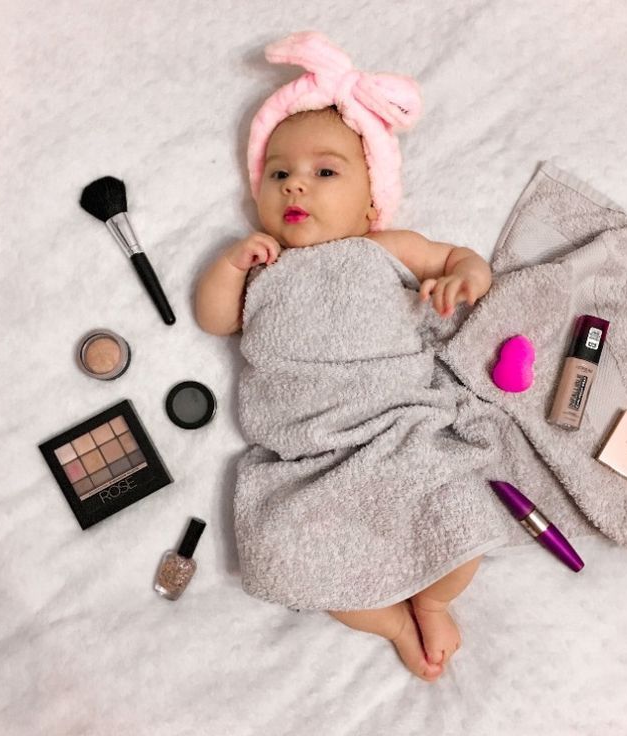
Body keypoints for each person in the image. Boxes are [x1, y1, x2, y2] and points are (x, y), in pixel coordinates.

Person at [195, 32, 491, 682]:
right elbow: (214, 318)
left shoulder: (385, 246)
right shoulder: (263, 265)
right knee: (289, 553)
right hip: (307, 459)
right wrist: (228, 265)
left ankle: (433, 598)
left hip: (397, 433)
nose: (296, 184)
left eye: (325, 171)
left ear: (370, 198)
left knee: (460, 521)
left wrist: (463, 277)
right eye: (279, 173)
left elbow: (459, 258)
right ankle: (390, 621)